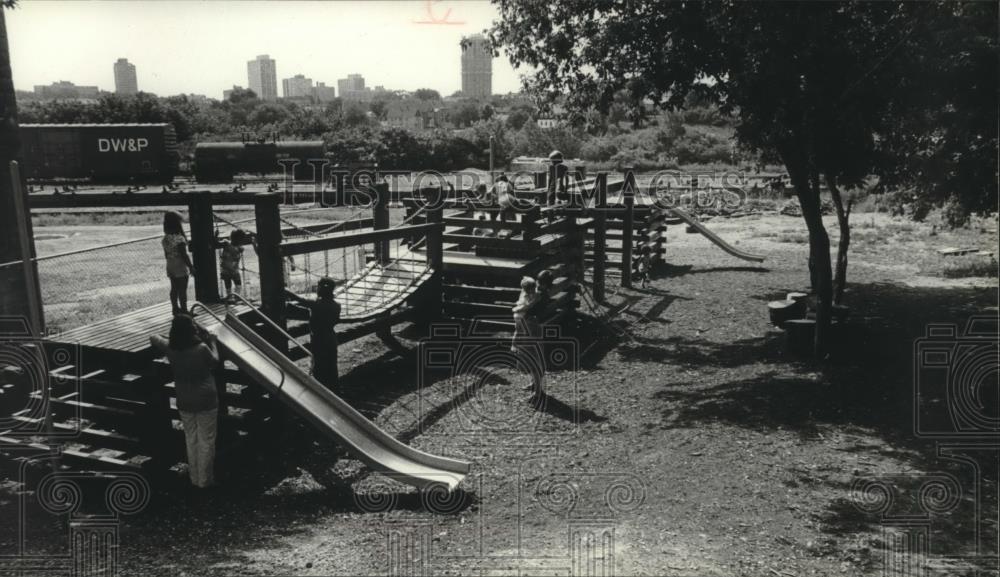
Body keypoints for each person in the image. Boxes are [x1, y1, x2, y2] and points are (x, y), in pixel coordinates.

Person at [150, 314, 219, 489]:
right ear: (191, 331)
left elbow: (153, 337)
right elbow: (215, 361)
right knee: (206, 439)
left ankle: (194, 478)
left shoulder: (170, 348)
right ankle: (205, 480)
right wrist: (213, 342)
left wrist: (168, 338)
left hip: (184, 399)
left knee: (191, 438)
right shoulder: (202, 348)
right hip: (206, 399)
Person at [288, 276, 341, 390]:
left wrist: (286, 291)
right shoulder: (337, 305)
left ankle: (320, 393)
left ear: (321, 289)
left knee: (319, 367)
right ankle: (334, 391)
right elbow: (333, 319)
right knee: (331, 367)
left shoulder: (316, 304)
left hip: (319, 339)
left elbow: (300, 300)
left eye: (318, 287)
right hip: (331, 338)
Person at [162, 211, 195, 315]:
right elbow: (184, 255)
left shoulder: (165, 238)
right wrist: (191, 267)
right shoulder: (179, 238)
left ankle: (175, 308)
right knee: (182, 289)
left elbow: (166, 254)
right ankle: (184, 310)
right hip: (179, 265)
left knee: (174, 288)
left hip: (170, 264)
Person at [215, 229, 246, 302]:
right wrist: (216, 236)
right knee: (228, 282)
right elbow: (217, 244)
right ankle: (229, 296)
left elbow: (241, 249)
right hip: (226, 269)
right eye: (240, 240)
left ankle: (236, 296)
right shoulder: (226, 243)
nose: (241, 242)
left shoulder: (239, 248)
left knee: (238, 282)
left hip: (234, 269)